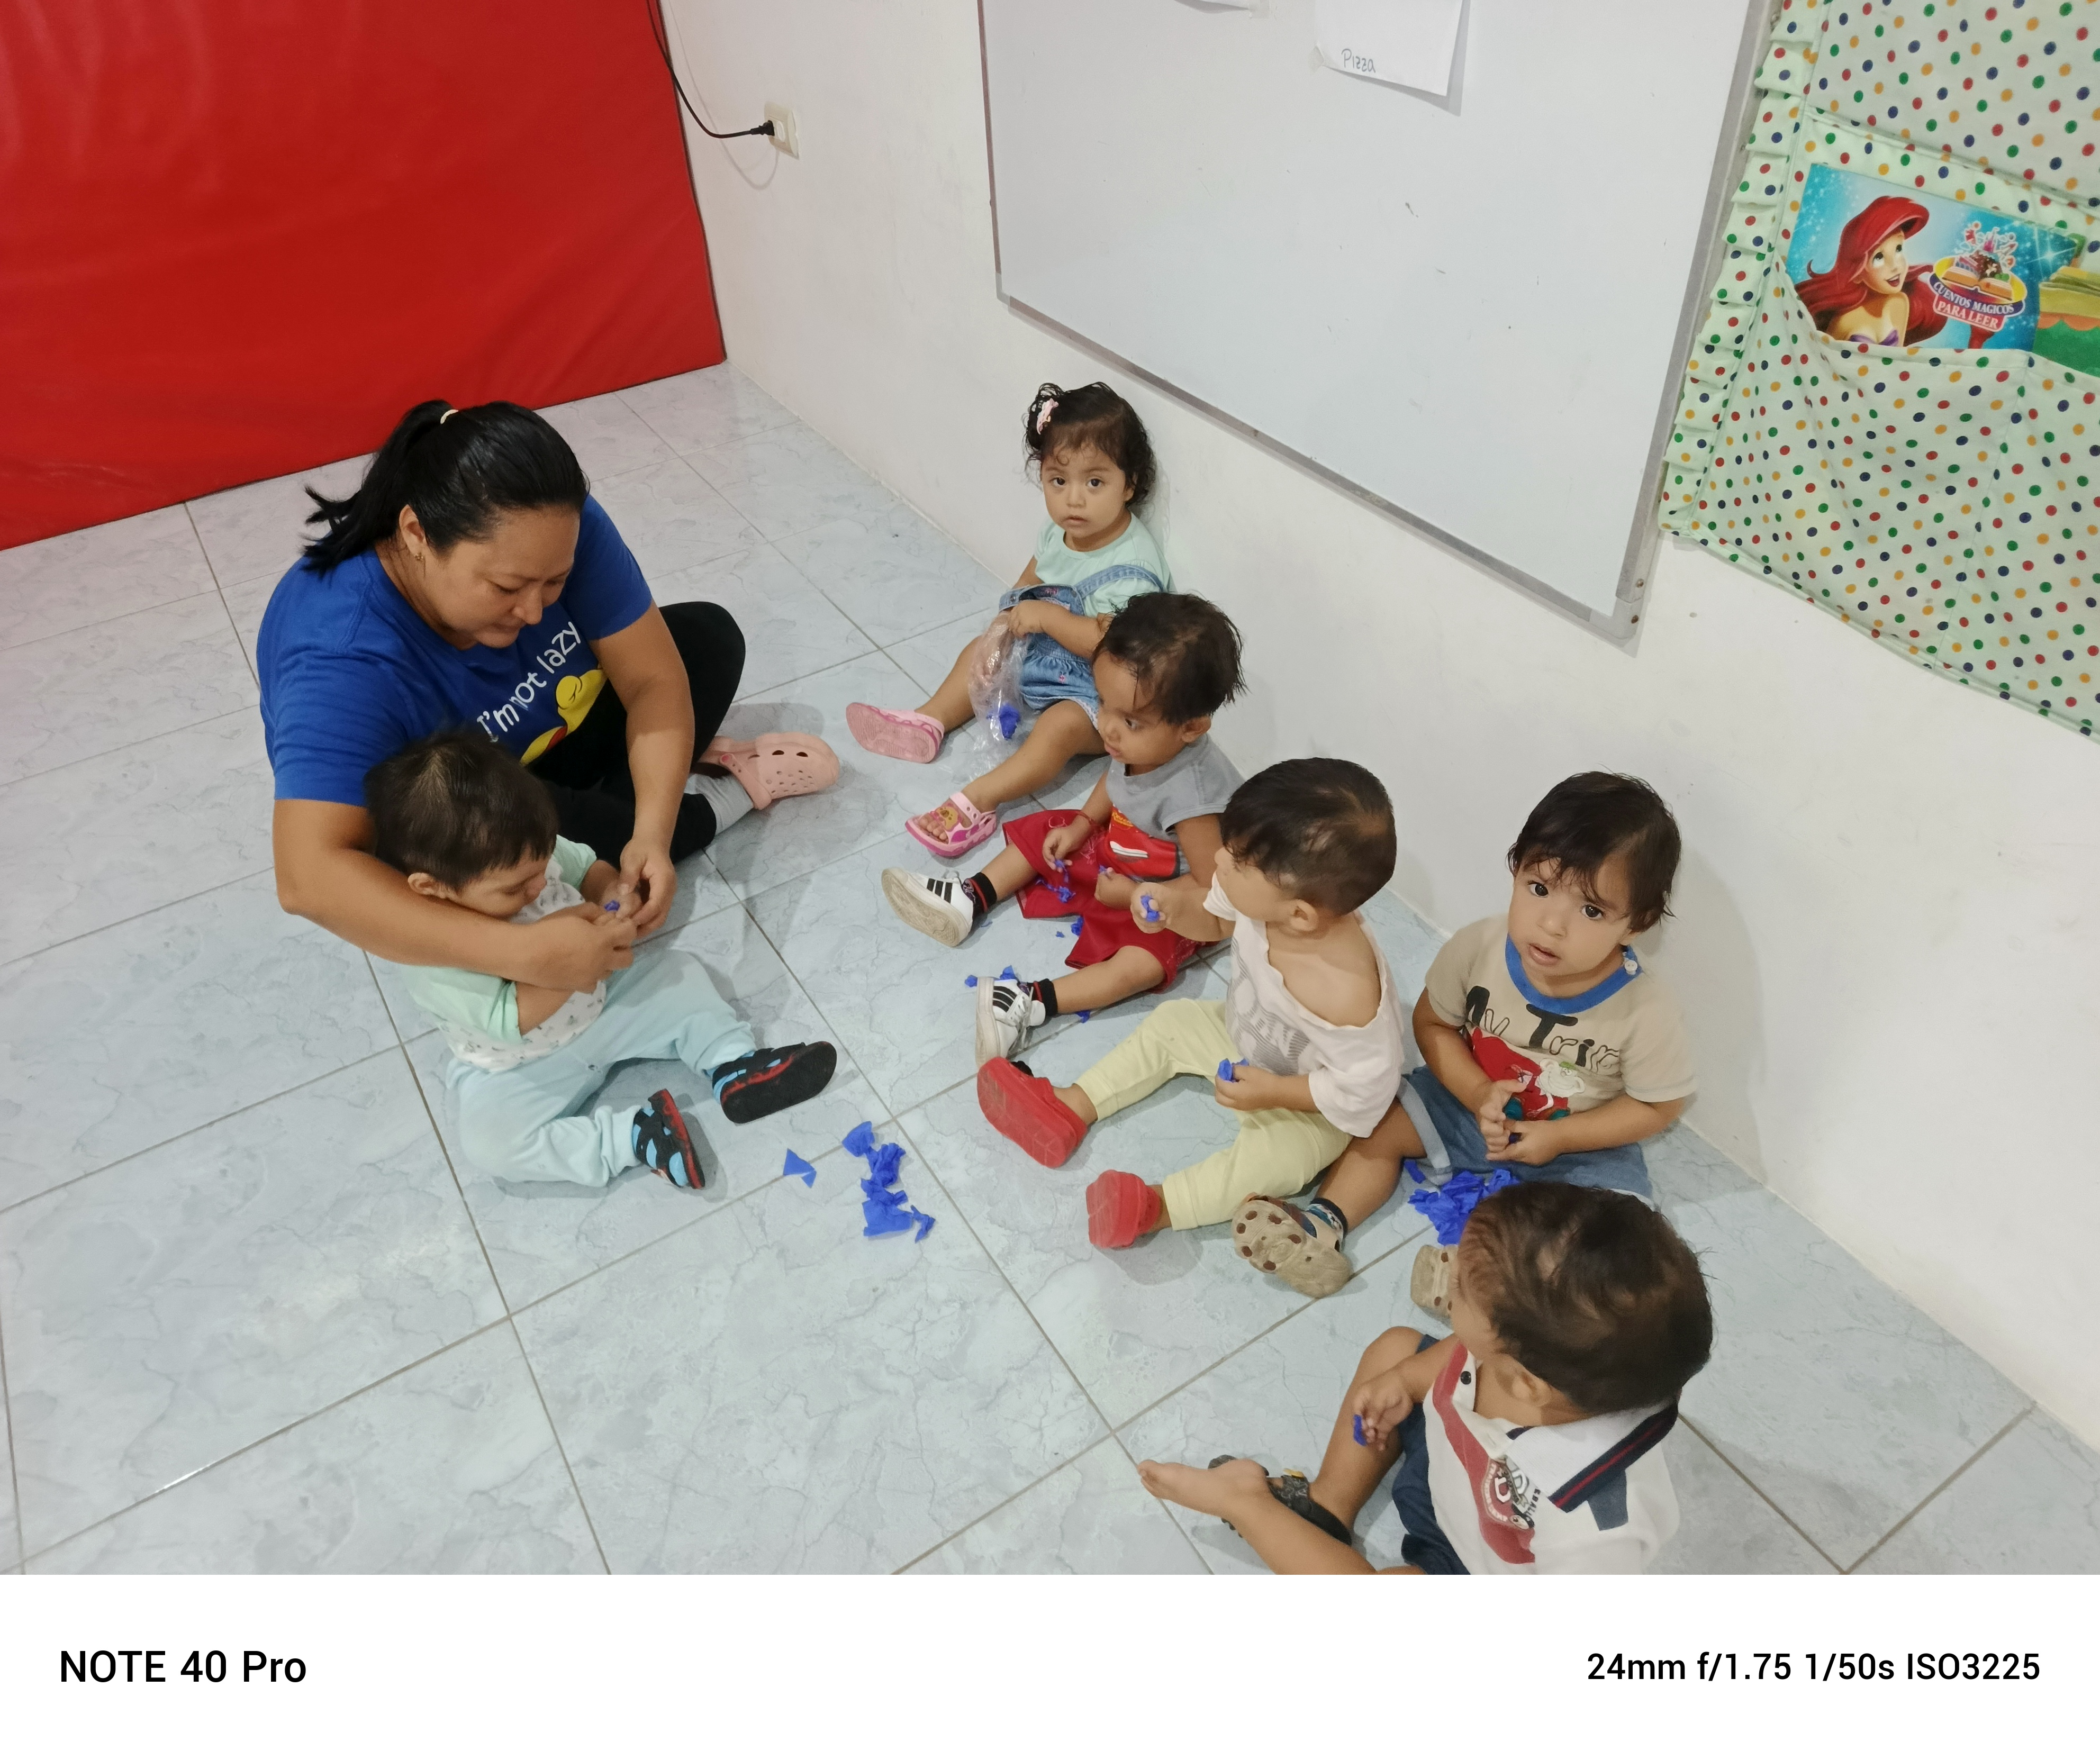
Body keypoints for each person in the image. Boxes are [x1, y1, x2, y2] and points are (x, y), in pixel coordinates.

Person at [261, 397, 837, 1005]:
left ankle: (641, 816)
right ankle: (709, 806)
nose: (534, 611)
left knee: (707, 642)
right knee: (482, 857)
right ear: (416, 534)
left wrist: (651, 834)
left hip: (555, 737)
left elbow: (654, 680)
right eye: (506, 587)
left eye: (555, 582)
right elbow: (308, 878)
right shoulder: (340, 653)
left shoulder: (555, 523)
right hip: (474, 800)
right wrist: (520, 952)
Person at [1241, 772, 1696, 1302]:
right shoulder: (1477, 947)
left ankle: (1476, 1284)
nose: (1552, 924)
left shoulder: (1645, 1009)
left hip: (1574, 1142)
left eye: (1591, 910)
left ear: (1636, 923)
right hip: (1464, 1102)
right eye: (1539, 888)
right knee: (1380, 1123)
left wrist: (1563, 1138)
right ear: (1515, 869)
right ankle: (1321, 1225)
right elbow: (1432, 1024)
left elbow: (1656, 1106)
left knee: (1611, 1228)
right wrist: (1477, 1092)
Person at [1135, 1182, 1714, 1574]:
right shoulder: (1539, 1364)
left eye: (1459, 1287)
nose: (1445, 1263)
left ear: (1525, 1382)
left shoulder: (1596, 1522)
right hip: (1449, 1465)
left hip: (1475, 1559)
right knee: (1395, 1347)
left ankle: (1246, 1502)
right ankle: (1327, 1508)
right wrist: (1408, 1380)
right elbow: (1463, 1352)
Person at [366, 730, 837, 1189]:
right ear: (433, 887)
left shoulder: (526, 851)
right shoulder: (430, 956)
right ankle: (631, 1137)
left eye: (542, 864)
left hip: (604, 1003)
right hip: (518, 1065)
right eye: (517, 888)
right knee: (491, 1145)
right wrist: (574, 961)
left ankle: (732, 1064)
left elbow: (587, 868)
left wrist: (614, 896)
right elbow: (509, 1019)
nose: (539, 885)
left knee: (678, 974)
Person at [976, 758, 1406, 1255]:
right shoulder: (1265, 897)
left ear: (1300, 915)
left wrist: (1276, 1092)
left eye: (1238, 861)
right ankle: (1072, 1105)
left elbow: (1363, 1094)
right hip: (1243, 1035)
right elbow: (1217, 920)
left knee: (1279, 1162)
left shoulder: (1347, 993)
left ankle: (1158, 1207)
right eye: (1230, 844)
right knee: (1174, 1022)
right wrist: (1171, 909)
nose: (1219, 859)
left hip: (1308, 1104)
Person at [878, 593, 1245, 1062]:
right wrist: (1084, 823)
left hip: (1164, 897)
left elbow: (1215, 892)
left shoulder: (1194, 799)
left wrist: (1140, 898)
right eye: (1104, 704)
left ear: (1191, 728)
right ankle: (970, 896)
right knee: (1048, 830)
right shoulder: (1141, 746)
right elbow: (1117, 782)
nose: (1108, 728)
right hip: (1123, 855)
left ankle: (1029, 1002)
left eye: (1131, 721)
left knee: (1143, 966)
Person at [844, 381, 1170, 858]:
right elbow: (1032, 575)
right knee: (979, 651)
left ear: (1131, 484)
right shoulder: (1060, 532)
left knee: (1056, 729)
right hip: (1044, 659)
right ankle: (930, 720)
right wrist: (1004, 623)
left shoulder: (1133, 566)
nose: (1074, 501)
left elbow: (1112, 646)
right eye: (1058, 482)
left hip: (1095, 695)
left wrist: (1047, 618)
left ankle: (980, 800)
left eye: (1094, 483)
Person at [1795, 195, 1944, 348]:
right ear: (1858, 273)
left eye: (1898, 249)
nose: (1895, 266)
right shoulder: (1844, 322)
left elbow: (1895, 357)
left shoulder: (1899, 302)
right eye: (1878, 257)